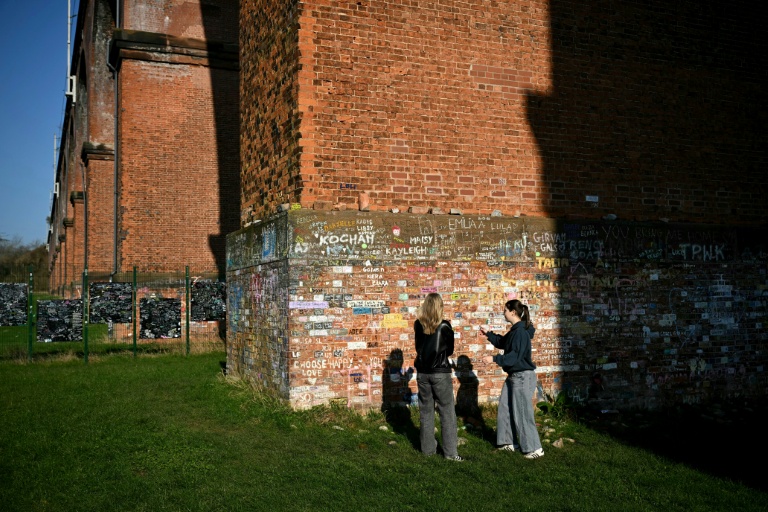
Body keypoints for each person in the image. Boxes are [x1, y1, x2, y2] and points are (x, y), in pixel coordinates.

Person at [480, 299, 544, 459]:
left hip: (522, 376)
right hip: (514, 376)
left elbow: (514, 357)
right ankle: (507, 443)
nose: (503, 313)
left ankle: (534, 448)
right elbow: (503, 342)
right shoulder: (516, 331)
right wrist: (488, 334)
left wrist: (494, 359)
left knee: (522, 412)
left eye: (505, 310)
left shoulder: (521, 332)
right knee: (505, 407)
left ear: (513, 312)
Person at [414, 292, 462, 461]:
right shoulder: (445, 326)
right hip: (440, 372)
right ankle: (450, 453)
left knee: (425, 411)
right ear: (440, 307)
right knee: (447, 412)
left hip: (422, 373)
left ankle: (427, 450)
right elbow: (449, 350)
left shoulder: (418, 325)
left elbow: (418, 347)